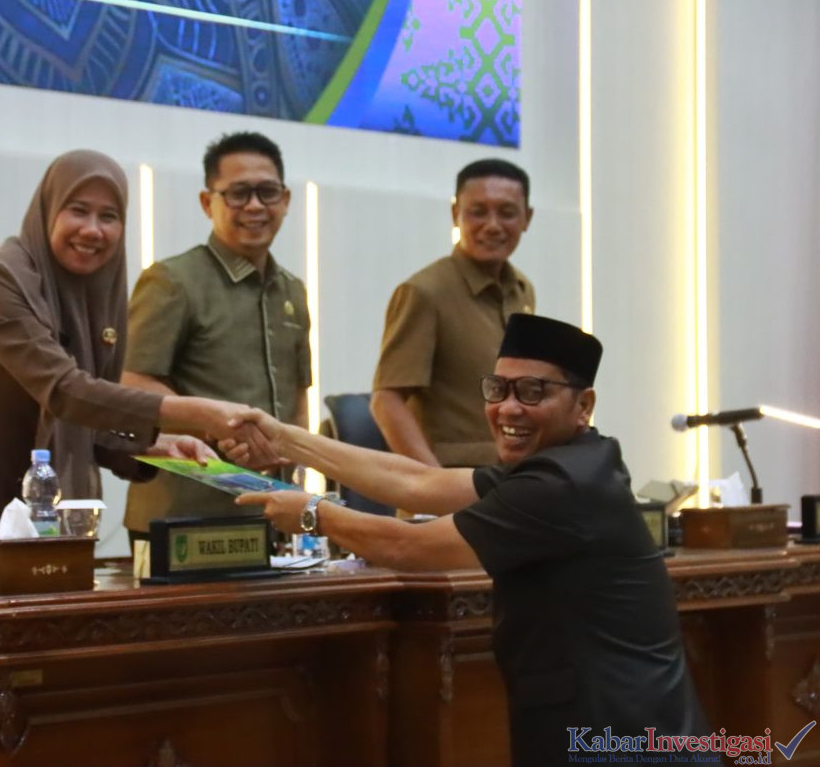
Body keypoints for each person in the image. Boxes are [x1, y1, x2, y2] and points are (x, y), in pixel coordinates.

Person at [231, 314, 712, 766]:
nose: (508, 408)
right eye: (498, 389)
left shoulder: (564, 484)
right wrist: (287, 440)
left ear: (583, 405)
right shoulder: (566, 463)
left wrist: (313, 513)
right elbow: (418, 482)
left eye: (532, 392)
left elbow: (410, 548)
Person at [0, 149, 272, 585]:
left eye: (109, 216)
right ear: (48, 210)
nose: (92, 230)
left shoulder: (96, 295)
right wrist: (200, 413)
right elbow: (65, 391)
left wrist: (153, 444)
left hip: (24, 536)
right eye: (78, 210)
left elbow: (82, 418)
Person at [121, 132, 310, 542]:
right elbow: (131, 383)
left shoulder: (292, 290)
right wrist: (216, 426)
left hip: (271, 513)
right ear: (208, 203)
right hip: (184, 516)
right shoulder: (172, 281)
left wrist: (296, 478)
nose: (255, 206)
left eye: (267, 192)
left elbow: (297, 397)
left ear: (285, 200)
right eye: (239, 193)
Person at [371, 158, 536, 472]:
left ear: (527, 218)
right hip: (450, 483)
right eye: (478, 211)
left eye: (507, 212)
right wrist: (433, 482)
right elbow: (386, 402)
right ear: (455, 214)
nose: (492, 225)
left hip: (510, 478)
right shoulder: (424, 292)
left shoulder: (522, 290)